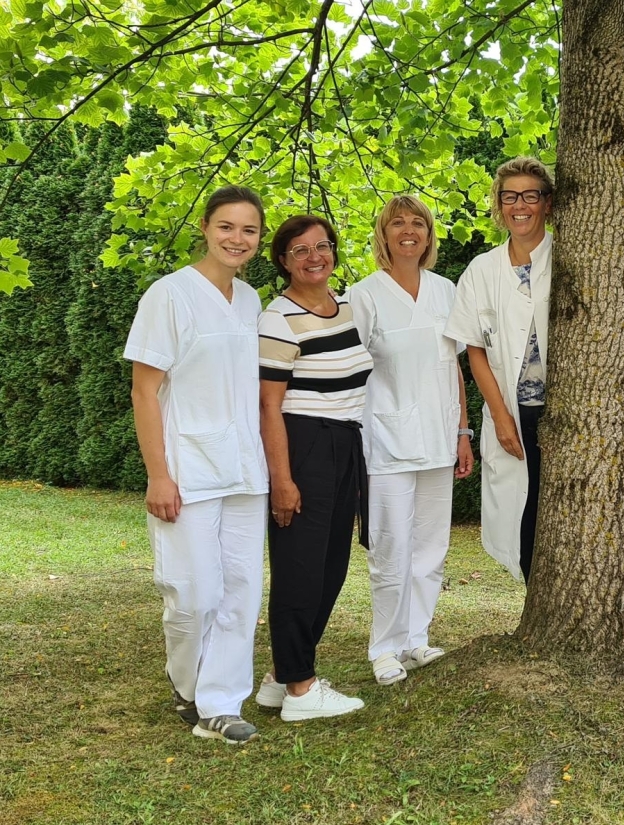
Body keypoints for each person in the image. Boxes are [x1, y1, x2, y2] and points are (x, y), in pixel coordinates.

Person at [125, 185, 269, 744]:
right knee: (193, 591)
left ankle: (221, 702)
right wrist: (159, 473)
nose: (238, 239)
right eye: (227, 227)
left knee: (239, 589)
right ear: (206, 228)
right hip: (187, 467)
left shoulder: (251, 301)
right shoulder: (170, 295)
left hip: (244, 469)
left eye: (249, 230)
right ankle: (186, 684)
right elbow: (144, 390)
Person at [346, 195, 474, 686]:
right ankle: (384, 646)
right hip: (386, 439)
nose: (408, 230)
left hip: (440, 437)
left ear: (428, 234)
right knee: (391, 545)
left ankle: (416, 638)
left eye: (417, 222)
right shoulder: (365, 295)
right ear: (384, 233)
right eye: (397, 223)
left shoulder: (446, 291)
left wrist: (464, 432)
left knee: (430, 545)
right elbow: (351, 370)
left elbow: (456, 366)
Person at [254, 214, 373, 722]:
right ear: (283, 261)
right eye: (300, 250)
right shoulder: (277, 318)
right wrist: (282, 480)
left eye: (322, 246)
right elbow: (268, 406)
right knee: (301, 568)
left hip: (346, 442)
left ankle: (280, 679)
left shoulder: (343, 307)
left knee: (330, 568)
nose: (314, 256)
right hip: (303, 445)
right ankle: (302, 689)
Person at [444, 157, 553, 583]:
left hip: (561, 410)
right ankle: (534, 600)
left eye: (531, 195)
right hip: (511, 408)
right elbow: (475, 352)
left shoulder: (569, 257)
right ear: (500, 204)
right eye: (510, 197)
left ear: (547, 203)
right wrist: (502, 417)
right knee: (520, 511)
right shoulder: (481, 270)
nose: (520, 205)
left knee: (557, 511)